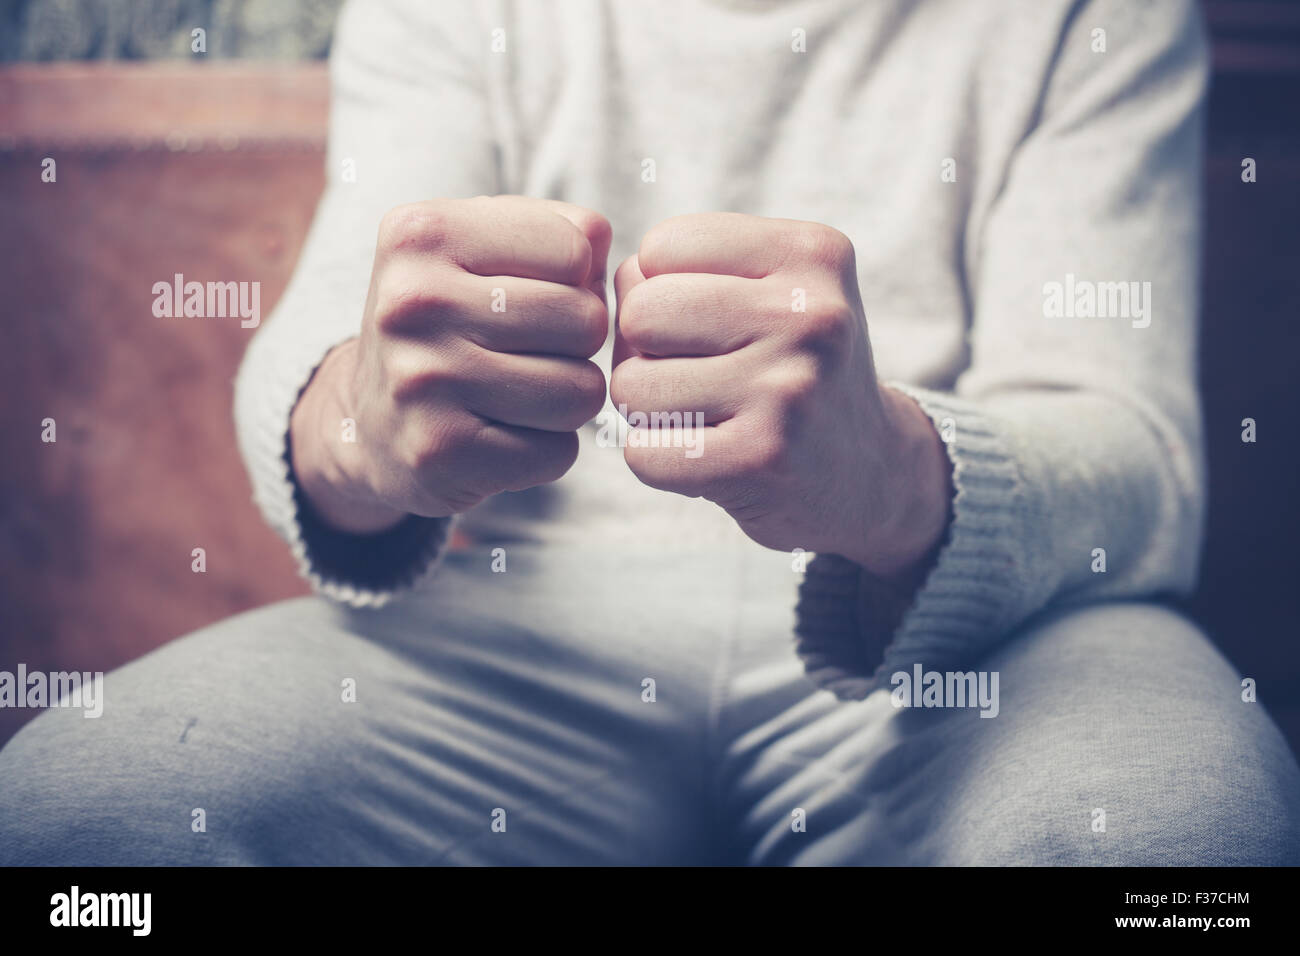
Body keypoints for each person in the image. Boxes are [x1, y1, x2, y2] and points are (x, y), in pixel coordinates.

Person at [3, 0, 1299, 866]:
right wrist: (361, 423)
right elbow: (332, 345)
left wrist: (891, 477)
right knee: (79, 824)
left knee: (1182, 851)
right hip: (506, 621)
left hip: (972, 635)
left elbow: (1138, 455)